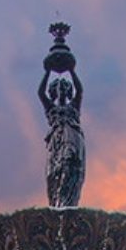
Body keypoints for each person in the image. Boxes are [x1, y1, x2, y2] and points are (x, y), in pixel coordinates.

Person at [38, 67, 85, 207]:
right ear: (54, 91)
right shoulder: (51, 109)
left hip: (72, 138)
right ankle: (56, 203)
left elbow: (80, 90)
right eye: (59, 87)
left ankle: (68, 203)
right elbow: (40, 93)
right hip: (55, 143)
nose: (62, 89)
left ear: (69, 91)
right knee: (53, 173)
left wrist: (72, 70)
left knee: (69, 165)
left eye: (65, 87)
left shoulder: (74, 107)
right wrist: (46, 72)